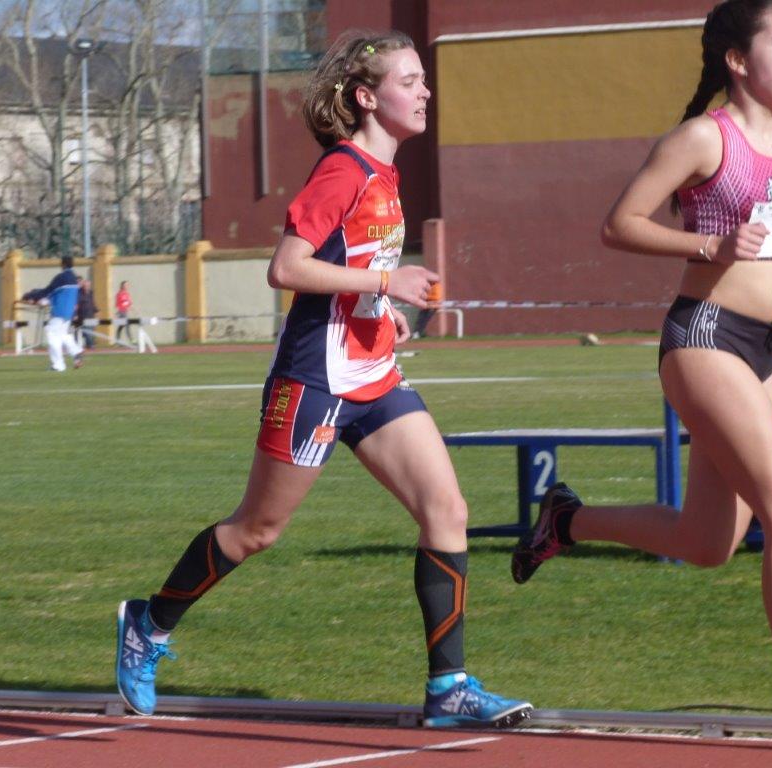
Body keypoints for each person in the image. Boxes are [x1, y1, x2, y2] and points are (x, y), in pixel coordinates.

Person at [115, 29, 532, 728]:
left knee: (447, 511)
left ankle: (449, 687)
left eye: (423, 80)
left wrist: (383, 311)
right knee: (256, 530)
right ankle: (147, 625)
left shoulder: (386, 173)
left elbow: (350, 266)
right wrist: (385, 283)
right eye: (409, 81)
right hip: (315, 380)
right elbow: (286, 268)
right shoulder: (343, 170)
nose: (425, 92)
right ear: (367, 97)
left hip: (375, 375)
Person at [511, 0, 772, 754]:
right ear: (738, 60)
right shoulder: (702, 139)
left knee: (708, 541)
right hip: (706, 337)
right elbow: (619, 224)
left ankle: (567, 521)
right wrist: (708, 245)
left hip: (766, 347)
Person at [22, 256, 83, 371]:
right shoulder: (74, 279)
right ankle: (76, 352)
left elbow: (47, 291)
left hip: (59, 311)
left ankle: (58, 365)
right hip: (69, 313)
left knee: (52, 334)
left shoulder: (61, 277)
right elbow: (57, 294)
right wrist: (39, 298)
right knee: (62, 334)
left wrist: (29, 295)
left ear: (62, 264)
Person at [74, 277, 97, 350]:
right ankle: (90, 345)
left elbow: (92, 303)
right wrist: (75, 314)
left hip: (91, 315)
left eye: (88, 285)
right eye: (85, 285)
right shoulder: (79, 293)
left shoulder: (91, 293)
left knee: (90, 331)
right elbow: (76, 304)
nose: (87, 287)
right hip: (83, 315)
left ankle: (89, 344)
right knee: (86, 331)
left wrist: (96, 311)